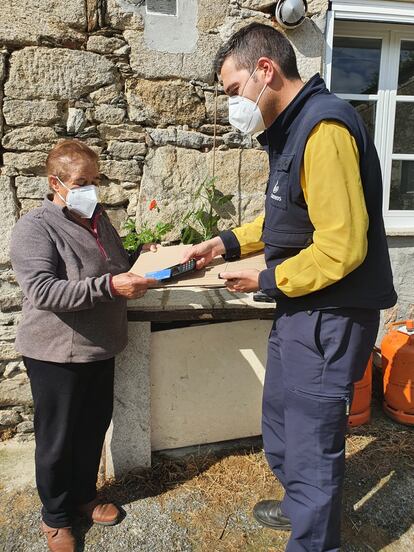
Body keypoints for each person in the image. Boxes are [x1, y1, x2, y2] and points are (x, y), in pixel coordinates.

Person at [182, 23, 397, 552]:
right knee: (281, 418)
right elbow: (287, 216)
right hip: (301, 309)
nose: (233, 104)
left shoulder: (324, 129)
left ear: (265, 71)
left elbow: (342, 247)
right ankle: (298, 504)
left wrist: (265, 279)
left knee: (310, 441)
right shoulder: (291, 129)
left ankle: (313, 539)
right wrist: (227, 243)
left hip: (330, 314)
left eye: (233, 91)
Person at [10, 140, 156, 552]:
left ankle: (84, 496)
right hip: (55, 353)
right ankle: (55, 517)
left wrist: (138, 256)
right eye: (80, 182)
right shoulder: (35, 227)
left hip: (99, 347)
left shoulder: (97, 216)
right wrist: (111, 285)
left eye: (94, 180)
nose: (90, 189)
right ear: (55, 183)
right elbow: (43, 290)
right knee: (57, 438)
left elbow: (112, 265)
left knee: (92, 428)